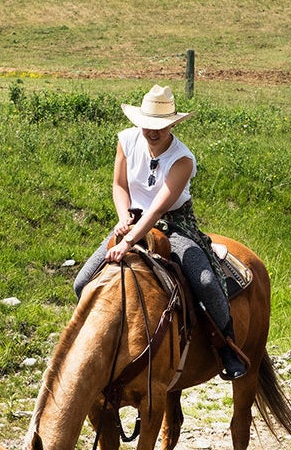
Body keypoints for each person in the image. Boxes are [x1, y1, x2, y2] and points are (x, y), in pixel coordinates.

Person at [73, 84, 248, 381]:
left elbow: (157, 209)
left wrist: (127, 242)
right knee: (82, 283)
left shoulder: (182, 159)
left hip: (174, 223)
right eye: (147, 125)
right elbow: (119, 186)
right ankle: (94, 343)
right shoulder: (127, 141)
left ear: (172, 124)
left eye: (160, 127)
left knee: (205, 279)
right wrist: (123, 218)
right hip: (134, 219)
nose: (152, 132)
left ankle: (227, 344)